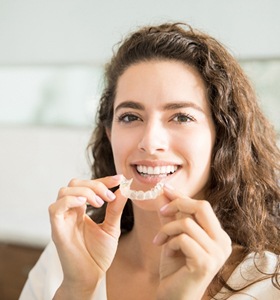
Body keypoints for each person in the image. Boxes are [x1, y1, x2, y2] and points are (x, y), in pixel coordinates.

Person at [20, 22, 280, 299]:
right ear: (109, 134)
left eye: (181, 117)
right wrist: (77, 289)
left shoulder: (267, 284)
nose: (150, 142)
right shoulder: (65, 259)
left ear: (223, 136)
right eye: (130, 117)